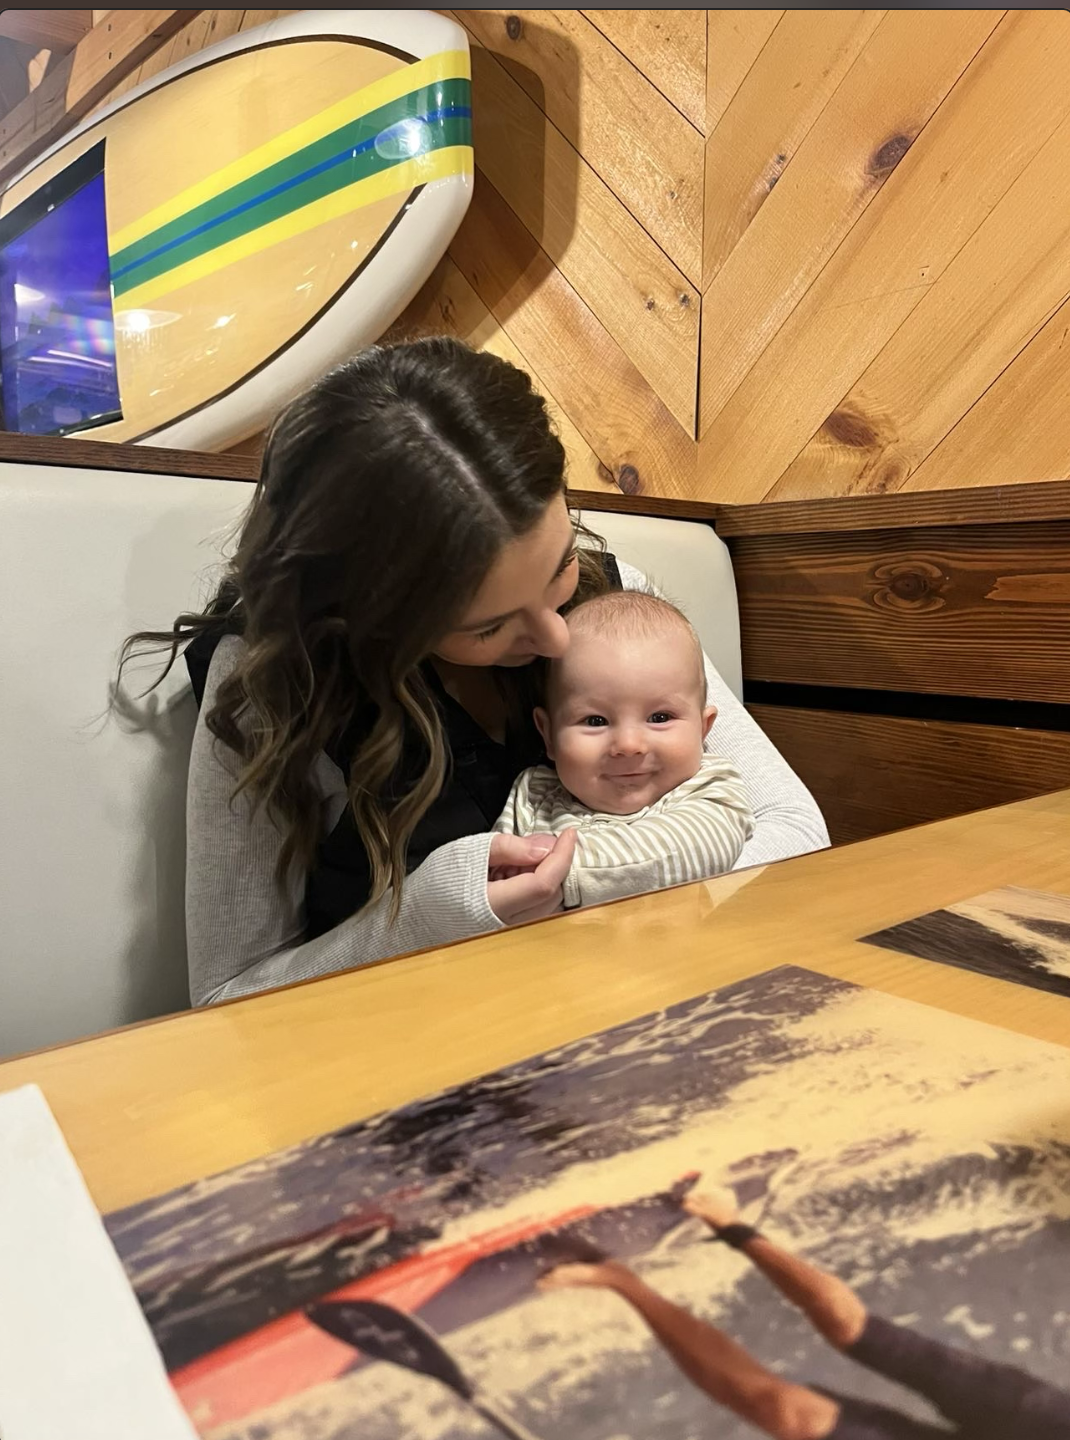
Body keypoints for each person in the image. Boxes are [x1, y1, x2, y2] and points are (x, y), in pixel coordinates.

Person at [119, 339, 829, 1005]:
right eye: (488, 626)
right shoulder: (276, 683)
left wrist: (607, 886)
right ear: (367, 620)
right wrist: (431, 912)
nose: (555, 636)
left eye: (558, 568)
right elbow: (226, 995)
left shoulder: (615, 603)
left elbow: (794, 828)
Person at [541, 1189, 1070, 1440]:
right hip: (1041, 1425)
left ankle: (621, 1281)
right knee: (854, 1330)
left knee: (785, 1413)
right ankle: (731, 1224)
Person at [493, 590, 754, 908]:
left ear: (703, 728)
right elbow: (494, 872)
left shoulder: (709, 786)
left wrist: (554, 872)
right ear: (548, 735)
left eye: (660, 717)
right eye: (595, 720)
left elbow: (687, 851)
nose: (629, 745)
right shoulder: (533, 796)